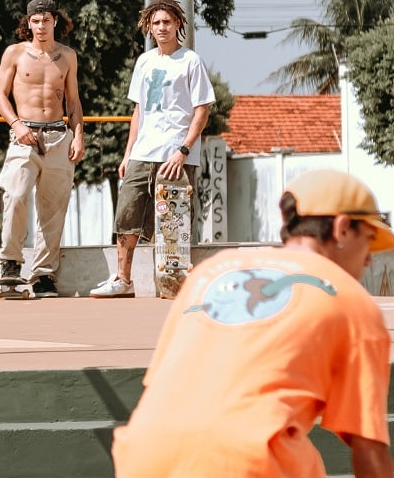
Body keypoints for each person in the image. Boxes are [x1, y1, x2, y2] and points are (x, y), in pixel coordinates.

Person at [113, 169, 394, 476]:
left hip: (144, 455)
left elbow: (161, 381)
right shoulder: (351, 300)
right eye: (368, 240)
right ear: (341, 228)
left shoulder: (211, 272)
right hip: (248, 462)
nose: (369, 260)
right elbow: (369, 449)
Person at [91, 0, 215, 298]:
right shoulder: (144, 61)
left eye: (167, 22)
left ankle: (172, 284)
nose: (162, 27)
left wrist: (184, 150)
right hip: (142, 152)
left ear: (178, 25)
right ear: (149, 26)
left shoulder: (190, 61)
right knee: (127, 214)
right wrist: (128, 153)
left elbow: (202, 110)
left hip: (176, 155)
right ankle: (123, 280)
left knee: (172, 221)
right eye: (156, 22)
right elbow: (139, 111)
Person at [0, 0, 85, 298]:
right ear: (28, 23)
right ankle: (10, 263)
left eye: (46, 20)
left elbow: (72, 100)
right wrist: (16, 125)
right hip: (25, 135)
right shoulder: (15, 53)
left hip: (59, 135)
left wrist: (79, 135)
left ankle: (43, 275)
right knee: (16, 196)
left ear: (55, 21)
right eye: (35, 20)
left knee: (53, 208)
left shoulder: (67, 56)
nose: (41, 26)